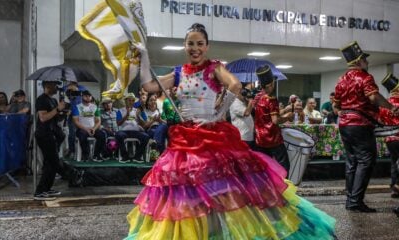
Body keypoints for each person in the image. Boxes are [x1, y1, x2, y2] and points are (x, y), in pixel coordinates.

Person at [124, 23, 336, 239]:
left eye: (199, 44)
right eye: (190, 44)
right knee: (190, 191)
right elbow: (150, 86)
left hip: (211, 136)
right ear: (184, 46)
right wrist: (144, 56)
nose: (195, 48)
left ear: (206, 46)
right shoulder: (178, 72)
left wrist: (218, 114)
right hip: (185, 139)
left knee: (221, 191)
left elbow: (234, 85)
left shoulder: (214, 68)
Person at [334, 41, 399, 213]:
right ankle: (355, 201)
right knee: (366, 160)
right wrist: (391, 108)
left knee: (352, 161)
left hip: (345, 125)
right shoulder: (364, 77)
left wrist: (341, 111)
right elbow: (373, 98)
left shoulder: (341, 80)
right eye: (365, 59)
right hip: (360, 124)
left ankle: (351, 199)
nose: (367, 63)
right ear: (358, 61)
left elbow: (336, 105)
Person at [34, 80, 83, 201]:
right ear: (47, 86)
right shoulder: (41, 100)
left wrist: (64, 111)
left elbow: (57, 118)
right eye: (54, 85)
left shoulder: (53, 100)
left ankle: (46, 189)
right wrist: (57, 109)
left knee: (49, 163)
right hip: (44, 135)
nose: (57, 87)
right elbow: (43, 118)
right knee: (54, 161)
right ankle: (71, 175)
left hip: (53, 134)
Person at [253, 65, 293, 172]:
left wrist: (283, 111)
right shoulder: (271, 99)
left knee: (265, 166)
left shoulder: (258, 98)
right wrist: (287, 117)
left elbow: (264, 116)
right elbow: (275, 120)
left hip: (260, 138)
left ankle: (266, 188)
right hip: (273, 139)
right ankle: (283, 188)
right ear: (270, 84)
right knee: (284, 166)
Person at [379, 73, 399, 199]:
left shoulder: (384, 105)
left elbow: (380, 121)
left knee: (394, 162)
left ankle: (394, 188)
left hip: (389, 139)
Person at [72, 90, 107, 162]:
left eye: (89, 96)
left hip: (93, 128)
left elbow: (98, 121)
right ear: (82, 97)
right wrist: (86, 129)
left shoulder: (95, 107)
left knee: (102, 135)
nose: (88, 98)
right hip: (82, 129)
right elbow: (75, 121)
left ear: (91, 97)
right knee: (82, 136)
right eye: (86, 96)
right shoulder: (77, 107)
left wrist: (94, 129)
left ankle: (96, 155)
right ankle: (85, 155)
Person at [115, 93, 150, 163]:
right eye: (129, 100)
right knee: (119, 135)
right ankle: (125, 156)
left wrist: (138, 117)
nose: (131, 102)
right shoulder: (120, 110)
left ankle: (137, 157)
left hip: (136, 131)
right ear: (125, 101)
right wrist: (126, 116)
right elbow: (118, 123)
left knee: (146, 136)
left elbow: (145, 124)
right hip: (124, 131)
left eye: (132, 100)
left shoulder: (138, 110)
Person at [64, 82, 87, 159]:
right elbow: (63, 95)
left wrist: (76, 90)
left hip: (82, 114)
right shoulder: (66, 87)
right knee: (72, 134)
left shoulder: (82, 88)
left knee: (82, 133)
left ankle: (84, 152)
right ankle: (72, 151)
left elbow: (86, 96)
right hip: (72, 113)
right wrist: (68, 89)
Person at [230, 82, 255, 148]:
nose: (244, 93)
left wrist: (248, 100)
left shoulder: (243, 102)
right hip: (242, 137)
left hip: (248, 137)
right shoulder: (234, 103)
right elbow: (246, 113)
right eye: (242, 91)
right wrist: (250, 101)